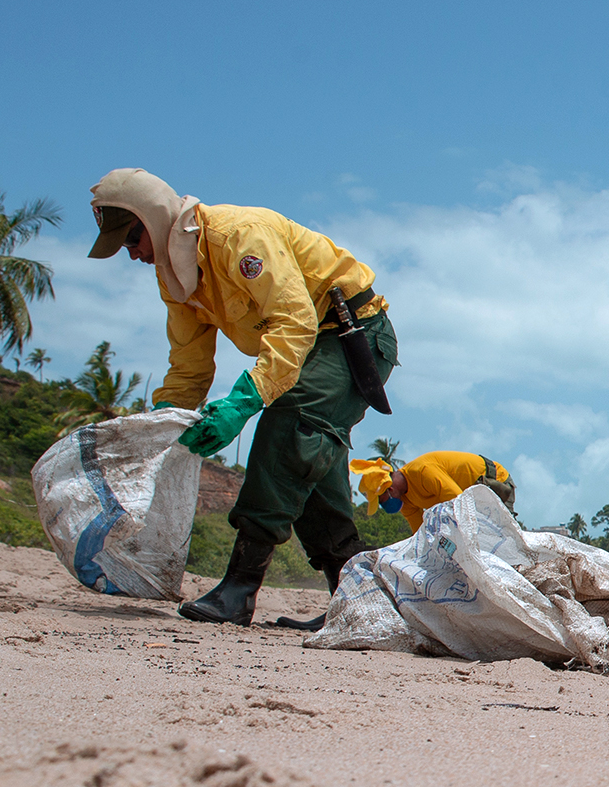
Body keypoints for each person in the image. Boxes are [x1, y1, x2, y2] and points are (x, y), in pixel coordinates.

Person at [88, 168, 397, 632]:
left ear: (151, 220)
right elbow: (189, 366)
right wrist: (165, 425)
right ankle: (357, 603)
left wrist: (241, 403)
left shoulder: (238, 236)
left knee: (291, 425)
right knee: (310, 462)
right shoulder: (176, 278)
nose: (132, 253)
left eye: (132, 239)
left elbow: (292, 322)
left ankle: (238, 589)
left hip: (351, 335)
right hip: (307, 347)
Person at [352, 451, 517, 530]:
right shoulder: (406, 501)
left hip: (494, 482)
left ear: (390, 488)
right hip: (471, 499)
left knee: (506, 538)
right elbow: (421, 533)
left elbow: (459, 503)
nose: (384, 505)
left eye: (382, 500)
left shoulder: (423, 471)